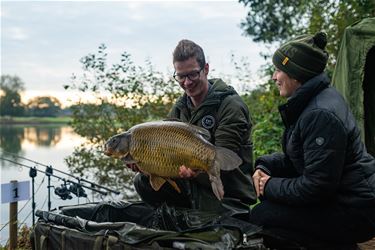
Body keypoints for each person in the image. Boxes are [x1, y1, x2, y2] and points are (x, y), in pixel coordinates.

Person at [249, 32, 375, 248]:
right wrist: (265, 166)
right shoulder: (313, 101)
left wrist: (268, 185)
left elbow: (317, 187)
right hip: (343, 199)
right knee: (270, 206)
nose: (274, 77)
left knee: (263, 215)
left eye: (279, 70)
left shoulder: (319, 113)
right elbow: (301, 157)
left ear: (296, 74)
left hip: (357, 210)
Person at [131, 39, 256, 212]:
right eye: (181, 76)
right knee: (142, 181)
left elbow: (225, 168)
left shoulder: (230, 106)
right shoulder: (182, 106)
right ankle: (178, 223)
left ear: (206, 69)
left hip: (229, 195)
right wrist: (147, 164)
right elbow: (164, 152)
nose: (187, 83)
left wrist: (196, 173)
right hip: (194, 187)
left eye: (193, 74)